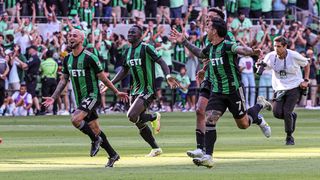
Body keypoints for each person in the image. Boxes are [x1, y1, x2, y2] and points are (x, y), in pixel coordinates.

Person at [171, 18, 272, 168]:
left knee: (243, 124)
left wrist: (252, 52)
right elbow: (200, 53)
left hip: (233, 91)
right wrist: (184, 41)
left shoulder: (227, 46)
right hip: (217, 91)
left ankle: (259, 107)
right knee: (209, 120)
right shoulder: (210, 48)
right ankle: (208, 157)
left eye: (209, 27)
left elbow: (240, 50)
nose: (206, 29)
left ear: (215, 31)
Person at [43, 29, 129, 168]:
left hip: (92, 95)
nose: (71, 38)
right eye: (69, 35)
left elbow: (103, 78)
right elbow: (64, 80)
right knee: (95, 129)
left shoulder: (90, 57)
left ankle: (95, 140)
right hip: (80, 98)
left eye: (74, 36)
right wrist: (54, 97)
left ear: (81, 39)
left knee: (75, 119)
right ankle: (113, 154)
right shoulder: (67, 59)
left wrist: (116, 92)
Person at [111, 25, 180, 157]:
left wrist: (168, 76)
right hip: (135, 90)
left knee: (131, 116)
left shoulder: (146, 47)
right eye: (129, 32)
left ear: (140, 35)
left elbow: (161, 61)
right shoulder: (128, 51)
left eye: (133, 32)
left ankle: (154, 116)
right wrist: (110, 83)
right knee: (138, 121)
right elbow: (124, 71)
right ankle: (155, 148)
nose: (130, 34)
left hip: (148, 89)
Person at [186, 7, 236, 161]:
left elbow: (226, 57)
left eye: (211, 17)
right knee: (199, 110)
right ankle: (201, 149)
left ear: (220, 21)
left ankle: (257, 117)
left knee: (243, 123)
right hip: (209, 78)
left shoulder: (228, 37)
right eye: (207, 17)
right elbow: (209, 56)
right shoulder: (207, 36)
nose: (208, 19)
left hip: (223, 81)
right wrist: (204, 69)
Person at [259, 36, 310, 145]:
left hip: (294, 86)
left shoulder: (294, 55)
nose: (276, 48)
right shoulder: (270, 56)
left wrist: (305, 80)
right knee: (277, 113)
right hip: (279, 88)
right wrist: (259, 65)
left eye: (279, 46)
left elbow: (306, 64)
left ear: (285, 46)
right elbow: (265, 67)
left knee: (287, 111)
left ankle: (289, 136)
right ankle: (292, 116)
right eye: (274, 46)